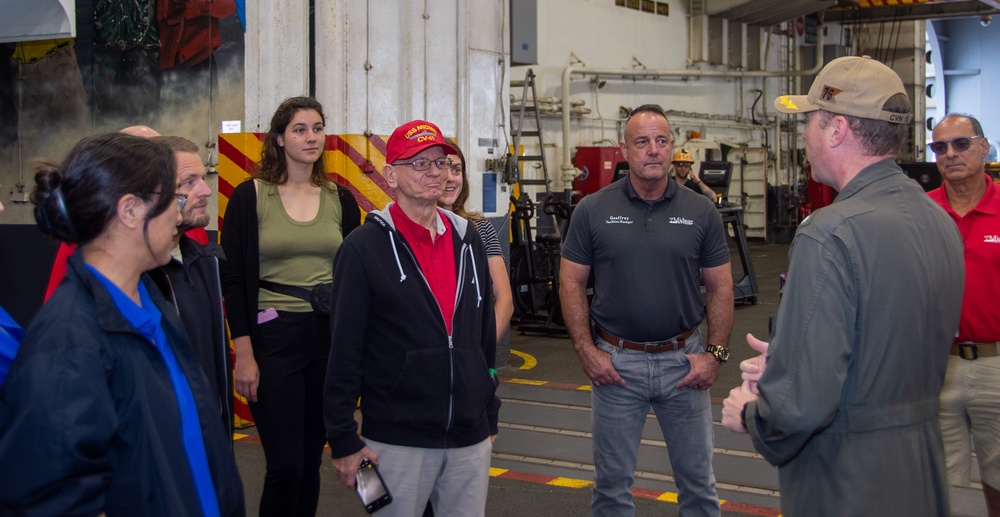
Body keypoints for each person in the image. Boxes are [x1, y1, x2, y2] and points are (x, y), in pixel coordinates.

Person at [720, 56, 965, 516]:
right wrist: (795, 352)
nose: (805, 136)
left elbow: (799, 408)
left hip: (846, 481)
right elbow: (890, 345)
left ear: (836, 130)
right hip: (921, 475)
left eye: (809, 121)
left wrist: (753, 414)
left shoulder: (829, 232)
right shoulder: (938, 220)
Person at [0, 132, 245, 515]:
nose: (179, 214)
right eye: (171, 200)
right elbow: (53, 498)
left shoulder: (153, 307)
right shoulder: (69, 344)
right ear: (130, 210)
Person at [560, 103, 734, 517]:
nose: (653, 150)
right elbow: (570, 282)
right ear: (625, 150)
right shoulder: (592, 210)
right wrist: (586, 350)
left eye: (661, 141)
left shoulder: (701, 211)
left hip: (684, 363)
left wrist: (715, 356)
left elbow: (721, 286)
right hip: (616, 366)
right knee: (611, 490)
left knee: (699, 488)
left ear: (672, 146)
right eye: (642, 142)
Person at [324, 119, 499, 517]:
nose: (434, 172)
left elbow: (483, 334)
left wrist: (490, 410)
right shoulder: (361, 248)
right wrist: (344, 439)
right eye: (418, 163)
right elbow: (344, 349)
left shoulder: (468, 239)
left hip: (469, 437)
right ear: (390, 175)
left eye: (440, 162)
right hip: (392, 439)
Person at [220, 96, 360, 516]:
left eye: (317, 128)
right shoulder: (250, 196)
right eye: (300, 129)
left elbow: (355, 279)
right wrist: (244, 355)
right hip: (273, 336)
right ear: (279, 138)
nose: (311, 137)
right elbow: (235, 279)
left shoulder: (341, 198)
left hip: (327, 337)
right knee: (284, 464)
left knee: (311, 464)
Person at [927, 113, 1000, 516]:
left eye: (961, 144)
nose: (951, 154)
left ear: (984, 147)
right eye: (940, 147)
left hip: (996, 363)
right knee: (940, 482)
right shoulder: (921, 213)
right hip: (937, 365)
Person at [150, 135, 233, 438]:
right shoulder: (140, 278)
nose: (205, 190)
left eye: (202, 178)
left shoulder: (204, 263)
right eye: (189, 182)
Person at [438, 145, 514, 340]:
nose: (450, 177)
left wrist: (481, 353)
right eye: (442, 167)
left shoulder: (480, 229)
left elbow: (505, 300)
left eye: (456, 169)